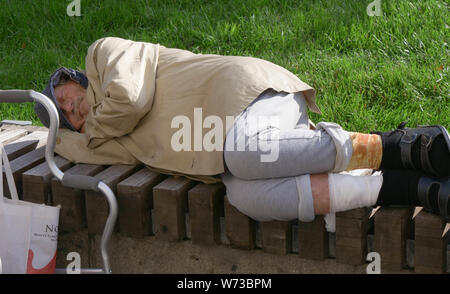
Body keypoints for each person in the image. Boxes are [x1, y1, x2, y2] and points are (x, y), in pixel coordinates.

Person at [35, 37, 450, 229]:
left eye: (69, 99)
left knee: (244, 154)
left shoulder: (104, 55)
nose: (74, 112)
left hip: (249, 96)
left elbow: (129, 99)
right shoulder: (105, 136)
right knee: (245, 196)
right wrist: (64, 135)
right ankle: (401, 187)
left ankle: (400, 146)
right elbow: (99, 152)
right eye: (66, 116)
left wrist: (88, 132)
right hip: (227, 146)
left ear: (78, 78)